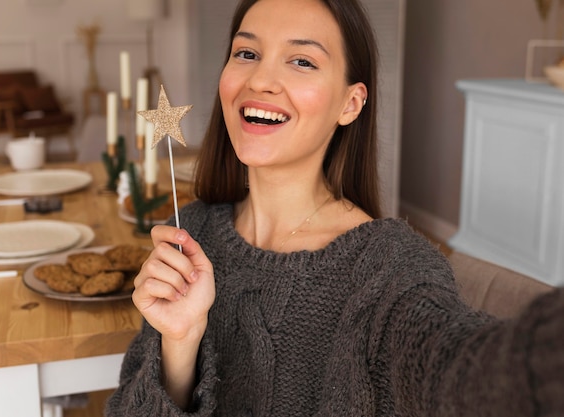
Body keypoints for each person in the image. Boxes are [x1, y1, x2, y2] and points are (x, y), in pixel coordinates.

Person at [105, 0, 564, 415]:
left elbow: (462, 369)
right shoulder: (189, 232)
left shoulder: (387, 269)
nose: (260, 80)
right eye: (246, 53)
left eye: (302, 61)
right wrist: (181, 344)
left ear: (350, 103)